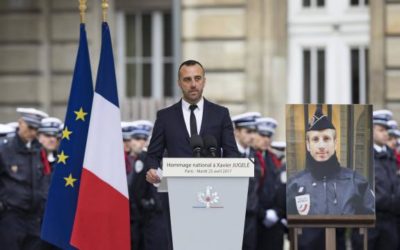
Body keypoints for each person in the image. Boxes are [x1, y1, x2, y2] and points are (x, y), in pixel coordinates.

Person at [145, 59, 239, 249]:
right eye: (187, 79)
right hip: (176, 197)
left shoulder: (220, 114)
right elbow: (153, 154)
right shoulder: (165, 117)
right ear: (179, 83)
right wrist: (152, 170)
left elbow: (232, 154)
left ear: (204, 80)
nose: (193, 84)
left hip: (213, 197)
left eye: (197, 78)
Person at [287, 107, 374, 216]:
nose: (321, 146)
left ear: (335, 143)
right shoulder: (295, 184)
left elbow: (370, 223)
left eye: (326, 139)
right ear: (308, 145)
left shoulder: (356, 182)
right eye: (315, 139)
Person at [0, 107, 50, 249]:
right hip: (12, 216)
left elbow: (44, 180)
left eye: (36, 129)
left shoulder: (39, 150)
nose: (33, 133)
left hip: (34, 218)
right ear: (21, 123)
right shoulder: (5, 150)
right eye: (30, 127)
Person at [352, 110, 400, 250]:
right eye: (381, 130)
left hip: (390, 219)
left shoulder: (390, 155)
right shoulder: (362, 155)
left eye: (386, 130)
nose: (385, 134)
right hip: (369, 220)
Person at [253, 117, 286, 250]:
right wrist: (263, 214)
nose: (266, 139)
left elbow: (280, 190)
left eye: (269, 136)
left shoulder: (273, 159)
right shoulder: (249, 157)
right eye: (262, 135)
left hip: (274, 222)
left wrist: (278, 213)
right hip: (255, 220)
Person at [232, 112, 261, 250]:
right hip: (231, 215)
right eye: (248, 131)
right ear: (237, 132)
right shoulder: (227, 154)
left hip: (250, 215)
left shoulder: (255, 155)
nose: (252, 136)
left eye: (254, 132)